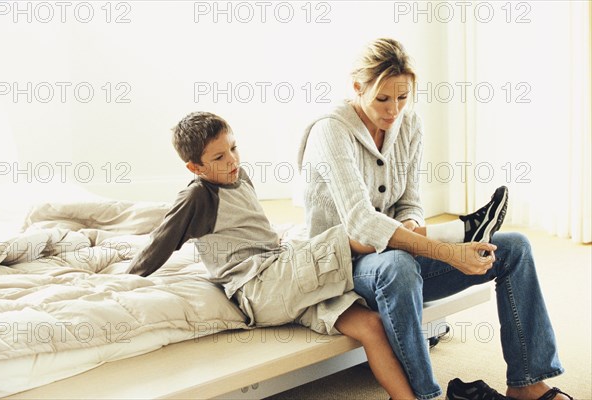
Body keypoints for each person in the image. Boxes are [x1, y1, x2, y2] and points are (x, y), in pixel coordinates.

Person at [298, 38, 572, 400]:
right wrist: (446, 251)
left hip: (399, 253)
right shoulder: (331, 131)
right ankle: (424, 396)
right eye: (382, 99)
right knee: (397, 266)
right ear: (357, 88)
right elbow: (361, 223)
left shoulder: (408, 123)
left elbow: (410, 201)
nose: (394, 109)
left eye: (402, 97)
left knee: (514, 248)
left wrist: (412, 223)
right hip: (344, 266)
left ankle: (527, 382)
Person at [126, 111, 417, 399]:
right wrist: (130, 279)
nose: (232, 160)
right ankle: (435, 244)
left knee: (370, 325)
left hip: (284, 279)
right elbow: (160, 242)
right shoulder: (198, 196)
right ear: (195, 168)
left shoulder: (240, 176)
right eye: (218, 158)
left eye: (233, 148)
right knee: (347, 237)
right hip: (259, 287)